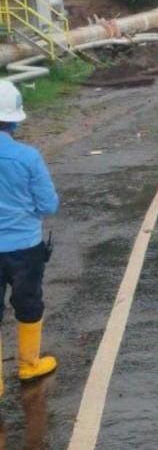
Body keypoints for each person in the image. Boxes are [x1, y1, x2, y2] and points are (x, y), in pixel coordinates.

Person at [0, 79, 59, 394]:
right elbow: (49, 205)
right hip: (25, 247)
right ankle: (29, 364)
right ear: (13, 120)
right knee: (28, 301)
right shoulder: (28, 157)